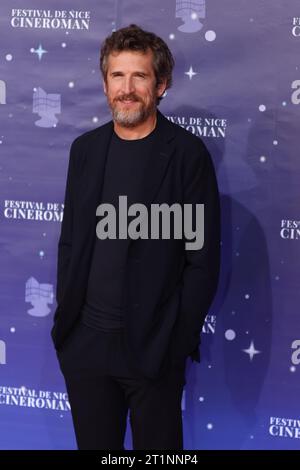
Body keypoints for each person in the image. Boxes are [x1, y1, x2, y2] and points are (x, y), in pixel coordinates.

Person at [51, 24, 220, 450]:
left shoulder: (187, 155)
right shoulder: (84, 150)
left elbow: (201, 262)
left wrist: (176, 344)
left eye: (139, 76)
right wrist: (66, 332)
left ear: (161, 85)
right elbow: (70, 243)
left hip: (153, 349)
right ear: (105, 83)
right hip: (86, 345)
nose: (126, 89)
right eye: (117, 76)